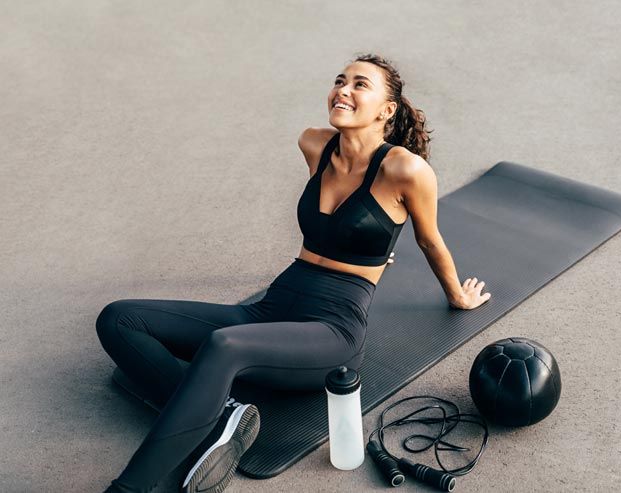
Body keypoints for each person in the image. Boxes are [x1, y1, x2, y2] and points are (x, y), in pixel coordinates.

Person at [96, 53, 491, 493]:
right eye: (340, 80)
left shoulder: (405, 169)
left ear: (387, 109)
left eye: (360, 84)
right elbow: (337, 228)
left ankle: (128, 488)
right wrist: (359, 241)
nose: (343, 89)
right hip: (273, 306)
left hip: (332, 330)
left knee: (223, 345)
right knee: (118, 318)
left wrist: (456, 295)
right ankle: (222, 418)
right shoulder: (313, 144)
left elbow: (428, 239)